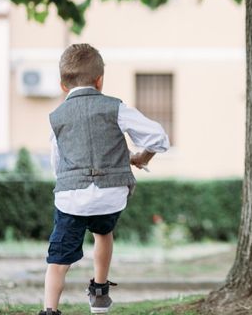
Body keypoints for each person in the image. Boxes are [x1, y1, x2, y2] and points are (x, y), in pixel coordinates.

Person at [39, 44, 169, 315]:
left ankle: (49, 310)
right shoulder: (114, 107)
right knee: (103, 232)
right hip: (111, 195)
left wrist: (67, 182)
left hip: (71, 198)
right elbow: (158, 136)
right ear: (100, 81)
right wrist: (142, 158)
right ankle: (100, 293)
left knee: (58, 260)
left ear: (63, 85)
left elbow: (57, 162)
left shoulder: (56, 117)